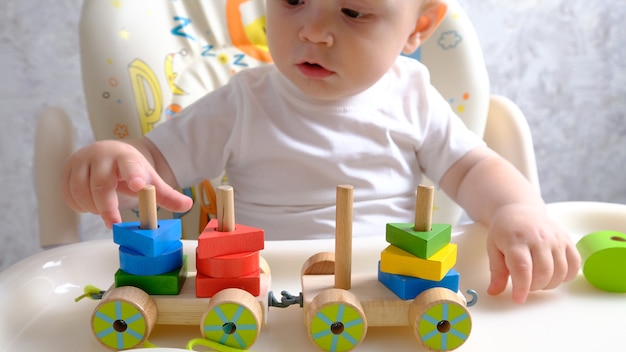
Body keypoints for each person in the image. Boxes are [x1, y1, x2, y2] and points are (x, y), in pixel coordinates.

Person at [63, 0, 580, 303]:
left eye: (353, 12)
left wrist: (518, 209)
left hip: (390, 287)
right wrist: (120, 161)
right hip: (260, 294)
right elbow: (155, 165)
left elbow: (473, 168)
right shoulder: (242, 102)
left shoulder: (414, 96)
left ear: (417, 28)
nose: (312, 30)